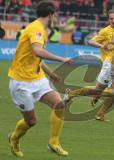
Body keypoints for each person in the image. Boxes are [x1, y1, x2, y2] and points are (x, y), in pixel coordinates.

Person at [8, 1, 72, 157]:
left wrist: (51, 74)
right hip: (21, 82)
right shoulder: (36, 28)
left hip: (37, 79)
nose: (55, 17)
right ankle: (14, 138)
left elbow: (36, 58)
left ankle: (53, 143)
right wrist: (61, 59)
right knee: (31, 121)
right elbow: (38, 51)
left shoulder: (39, 28)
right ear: (50, 15)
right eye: (55, 14)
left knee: (59, 105)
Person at [87, 9, 114, 121]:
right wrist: (102, 46)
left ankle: (100, 112)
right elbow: (90, 41)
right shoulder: (105, 31)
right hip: (108, 64)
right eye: (111, 18)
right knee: (106, 89)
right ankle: (73, 94)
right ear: (108, 20)